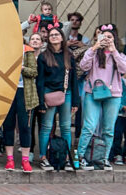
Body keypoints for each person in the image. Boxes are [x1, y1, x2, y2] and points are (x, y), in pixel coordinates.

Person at [77, 24, 126, 171]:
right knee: (89, 126)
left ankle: (104, 158)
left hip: (113, 94)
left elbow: (124, 70)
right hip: (93, 92)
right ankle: (80, 157)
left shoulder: (120, 55)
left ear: (115, 39)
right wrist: (94, 48)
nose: (107, 40)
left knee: (108, 129)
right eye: (104, 37)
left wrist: (114, 51)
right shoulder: (93, 54)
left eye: (110, 37)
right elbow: (83, 66)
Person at [36, 25, 80, 170]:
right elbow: (40, 80)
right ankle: (43, 157)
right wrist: (41, 102)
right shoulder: (43, 56)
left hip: (66, 92)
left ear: (62, 37)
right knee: (47, 126)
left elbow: (73, 79)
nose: (54, 36)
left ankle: (66, 158)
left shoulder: (68, 56)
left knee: (66, 127)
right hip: (48, 93)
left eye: (57, 34)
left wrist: (75, 100)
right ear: (48, 39)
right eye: (51, 35)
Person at [2, 41, 37, 172]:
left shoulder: (28, 50)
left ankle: (25, 160)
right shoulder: (5, 51)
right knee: (8, 125)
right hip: (8, 91)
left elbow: (34, 72)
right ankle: (10, 159)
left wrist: (23, 69)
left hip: (24, 92)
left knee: (25, 126)